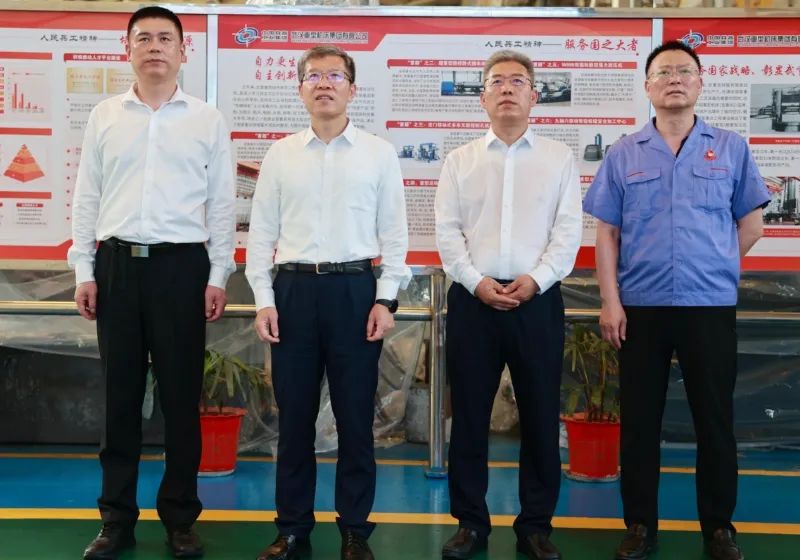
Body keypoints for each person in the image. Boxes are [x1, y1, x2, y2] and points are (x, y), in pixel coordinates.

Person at [583, 40, 770, 560]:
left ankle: (719, 528)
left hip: (708, 305)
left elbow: (752, 224)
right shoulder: (624, 153)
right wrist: (610, 301)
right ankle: (640, 526)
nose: (674, 80)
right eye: (663, 72)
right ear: (647, 86)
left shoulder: (730, 148)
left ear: (700, 83)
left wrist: (715, 263)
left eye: (684, 71)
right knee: (640, 423)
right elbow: (607, 234)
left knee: (715, 421)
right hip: (639, 308)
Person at [68, 6, 235, 559]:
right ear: (128, 49)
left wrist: (217, 274)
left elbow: (221, 205)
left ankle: (180, 518)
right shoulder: (105, 116)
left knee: (181, 398)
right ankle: (115, 520)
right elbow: (86, 196)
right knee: (118, 398)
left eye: (166, 38)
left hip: (181, 270)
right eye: (144, 38)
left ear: (184, 51)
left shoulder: (206, 119)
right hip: (116, 267)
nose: (155, 47)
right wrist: (84, 269)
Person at [245, 44, 411, 560]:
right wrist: (264, 300)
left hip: (354, 292)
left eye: (335, 76)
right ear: (300, 90)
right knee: (294, 420)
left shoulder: (378, 154)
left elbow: (395, 235)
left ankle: (355, 530)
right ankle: (293, 529)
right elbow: (261, 234)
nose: (324, 84)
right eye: (313, 76)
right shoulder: (281, 155)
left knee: (355, 419)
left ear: (352, 90)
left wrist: (386, 300)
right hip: (293, 293)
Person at [434, 50, 582, 560]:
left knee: (539, 417)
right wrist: (475, 282)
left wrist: (536, 280)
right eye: (496, 81)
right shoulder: (460, 160)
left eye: (518, 81)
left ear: (534, 96)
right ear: (482, 97)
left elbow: (568, 232)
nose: (507, 89)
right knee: (469, 418)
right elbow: (447, 233)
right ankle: (470, 523)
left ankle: (535, 526)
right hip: (473, 301)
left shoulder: (559, 159)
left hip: (536, 301)